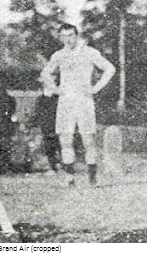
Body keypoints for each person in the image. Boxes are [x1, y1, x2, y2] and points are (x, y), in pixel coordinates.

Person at [40, 24, 116, 186]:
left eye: (71, 35)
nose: (68, 39)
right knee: (65, 139)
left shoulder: (89, 52)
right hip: (66, 101)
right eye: (64, 36)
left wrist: (95, 88)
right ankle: (70, 178)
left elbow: (110, 69)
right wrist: (55, 89)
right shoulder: (59, 55)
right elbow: (45, 73)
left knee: (88, 139)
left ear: (77, 35)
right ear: (60, 38)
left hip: (84, 100)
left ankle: (92, 178)